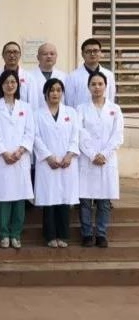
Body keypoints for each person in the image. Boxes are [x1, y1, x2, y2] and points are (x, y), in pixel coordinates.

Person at [0, 70, 35, 249]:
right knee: (3, 197)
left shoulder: (26, 108)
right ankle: (4, 234)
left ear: (18, 85)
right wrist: (4, 153)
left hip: (20, 158)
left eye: (13, 82)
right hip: (2, 159)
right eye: (6, 82)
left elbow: (30, 132)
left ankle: (16, 234)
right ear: (1, 85)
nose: (10, 85)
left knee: (19, 197)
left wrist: (21, 150)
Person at [77, 72, 123, 248]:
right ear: (88, 87)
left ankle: (101, 234)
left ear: (105, 86)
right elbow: (79, 133)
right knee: (85, 201)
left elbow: (117, 135)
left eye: (100, 84)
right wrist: (92, 154)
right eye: (93, 84)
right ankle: (87, 234)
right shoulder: (81, 109)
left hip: (107, 160)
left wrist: (104, 154)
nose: (97, 87)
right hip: (87, 159)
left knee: (104, 202)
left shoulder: (115, 109)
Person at [34, 78, 79, 248]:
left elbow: (76, 136)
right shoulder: (37, 114)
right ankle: (50, 236)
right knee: (49, 200)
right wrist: (48, 157)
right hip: (47, 163)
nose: (55, 93)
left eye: (58, 90)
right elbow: (36, 137)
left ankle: (63, 235)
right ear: (45, 93)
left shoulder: (71, 113)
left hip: (67, 163)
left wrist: (69, 155)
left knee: (64, 199)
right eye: (51, 90)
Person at [65, 38, 116, 108]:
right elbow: (69, 103)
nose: (92, 54)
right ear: (82, 54)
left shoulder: (109, 75)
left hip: (103, 114)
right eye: (88, 51)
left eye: (95, 51)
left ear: (100, 53)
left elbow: (111, 100)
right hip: (80, 114)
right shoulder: (72, 76)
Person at [30, 43, 67, 110]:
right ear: (38, 57)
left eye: (52, 54)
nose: (49, 56)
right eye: (45, 54)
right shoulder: (29, 76)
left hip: (59, 114)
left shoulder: (64, 76)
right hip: (34, 114)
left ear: (56, 57)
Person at [1, 41, 38, 106]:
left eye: (15, 52)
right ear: (3, 55)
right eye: (8, 52)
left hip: (23, 112)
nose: (12, 55)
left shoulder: (29, 78)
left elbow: (33, 104)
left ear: (20, 55)